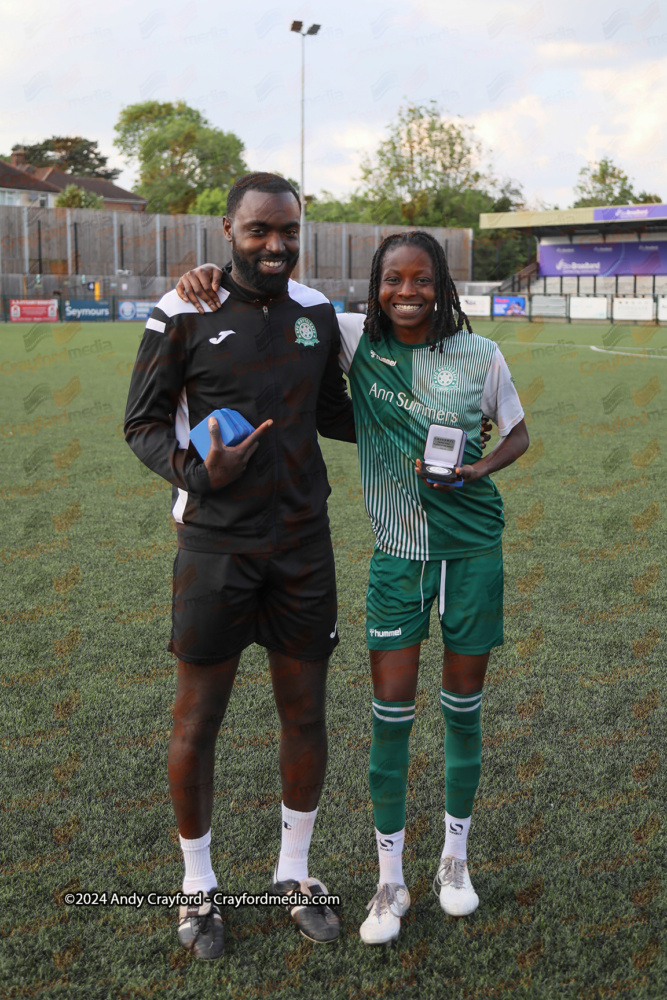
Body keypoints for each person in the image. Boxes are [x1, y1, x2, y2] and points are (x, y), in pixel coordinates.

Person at [178, 230, 528, 947]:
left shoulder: (481, 353)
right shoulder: (350, 336)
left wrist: (476, 469)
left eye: (422, 280)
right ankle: (388, 880)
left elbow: (517, 433)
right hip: (396, 556)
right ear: (374, 286)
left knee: (462, 708)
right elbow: (272, 298)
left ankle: (454, 863)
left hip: (471, 552)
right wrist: (213, 275)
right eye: (393, 280)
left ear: (441, 284)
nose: (407, 292)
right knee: (389, 720)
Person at [124, 172, 357, 960]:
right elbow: (143, 422)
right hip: (215, 547)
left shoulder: (315, 314)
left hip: (301, 544)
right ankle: (197, 888)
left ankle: (293, 873)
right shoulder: (183, 309)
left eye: (288, 231)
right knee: (199, 719)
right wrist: (197, 475)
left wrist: (420, 423)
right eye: (259, 231)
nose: (276, 245)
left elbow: (333, 414)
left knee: (305, 713)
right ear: (227, 231)